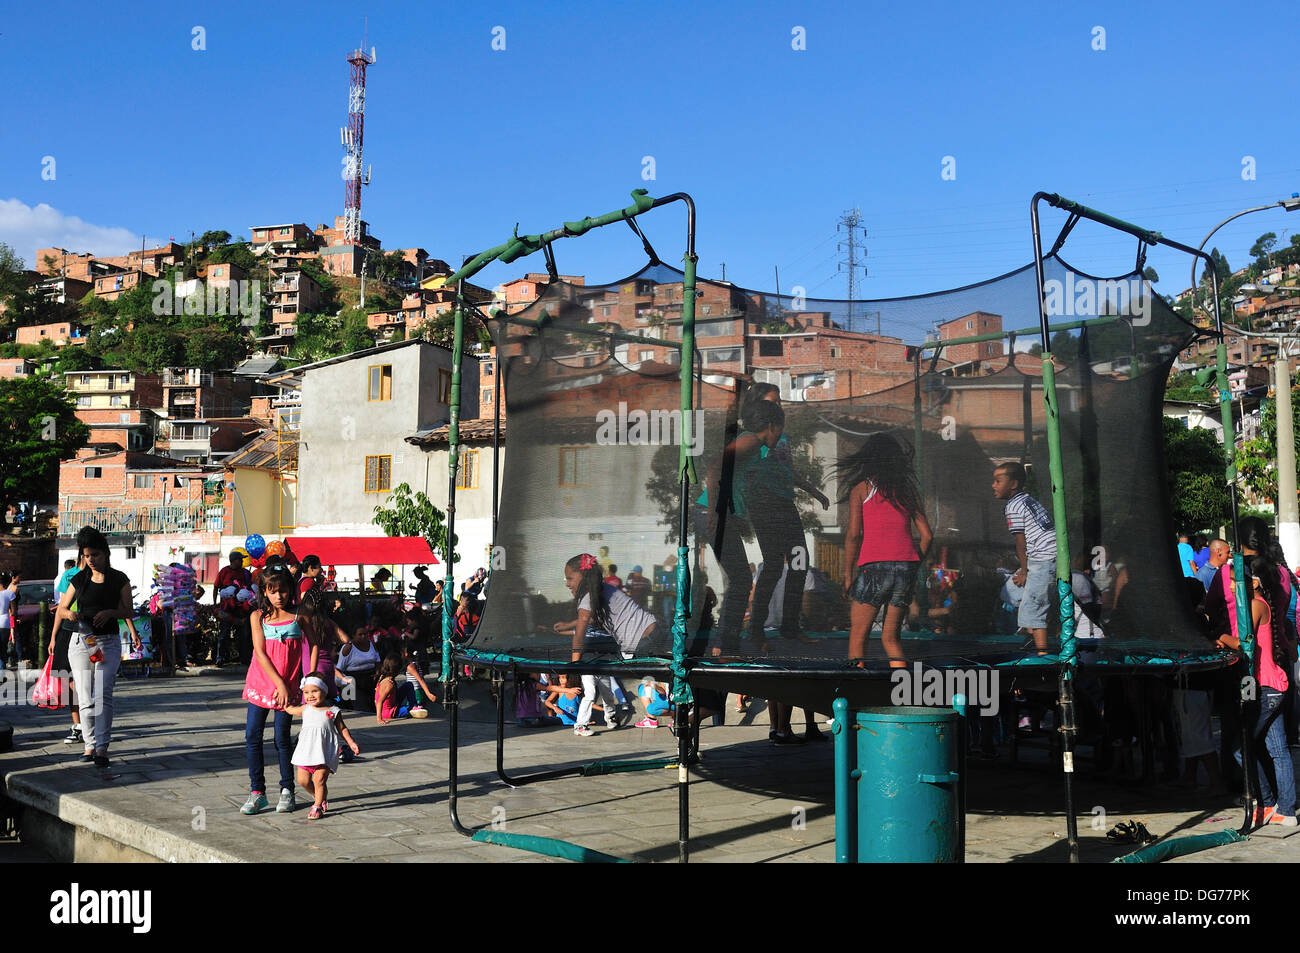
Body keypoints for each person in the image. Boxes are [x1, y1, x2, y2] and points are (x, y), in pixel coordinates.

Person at [839, 433, 933, 670]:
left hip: (874, 566)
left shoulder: (862, 488)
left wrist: (848, 575)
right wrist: (912, 565)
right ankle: (904, 693)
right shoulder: (907, 492)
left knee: (858, 636)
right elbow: (927, 536)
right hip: (905, 567)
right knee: (891, 639)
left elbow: (853, 535)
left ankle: (856, 691)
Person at [52, 527, 141, 769]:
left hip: (108, 642)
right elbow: (60, 608)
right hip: (82, 641)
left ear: (105, 554)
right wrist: (69, 613)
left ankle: (102, 746)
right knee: (84, 694)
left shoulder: (119, 578)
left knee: (104, 693)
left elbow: (128, 610)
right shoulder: (78, 579)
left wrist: (111, 613)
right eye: (87, 555)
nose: (91, 560)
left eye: (95, 555)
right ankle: (89, 745)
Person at [553, 553, 654, 736]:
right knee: (601, 691)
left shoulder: (588, 596)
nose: (567, 583)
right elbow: (590, 617)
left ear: (582, 577)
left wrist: (575, 665)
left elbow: (580, 636)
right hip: (650, 633)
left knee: (655, 676)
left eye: (569, 578)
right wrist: (568, 625)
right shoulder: (603, 589)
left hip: (641, 641)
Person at [240, 571, 304, 815]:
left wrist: (308, 680)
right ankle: (258, 792)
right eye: (273, 591)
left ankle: (287, 789)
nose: (279, 596)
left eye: (283, 590)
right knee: (252, 736)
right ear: (265, 592)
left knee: (281, 739)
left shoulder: (300, 615)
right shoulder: (258, 616)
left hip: (287, 689)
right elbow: (260, 652)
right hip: (262, 684)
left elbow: (315, 643)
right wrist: (279, 683)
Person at [991, 462, 1055, 654]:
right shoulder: (1027, 500)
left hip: (1043, 558)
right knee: (1029, 605)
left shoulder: (1013, 507)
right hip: (1048, 557)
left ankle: (1042, 654)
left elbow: (1021, 542)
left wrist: (1026, 571)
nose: (993, 485)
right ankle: (1033, 645)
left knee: (1035, 608)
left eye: (998, 481)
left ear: (1013, 484)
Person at [287, 674, 360, 820]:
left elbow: (342, 729)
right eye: (306, 692)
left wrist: (351, 743)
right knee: (303, 781)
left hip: (325, 753)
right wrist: (281, 698)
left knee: (319, 779)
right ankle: (319, 796)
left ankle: (317, 806)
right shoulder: (305, 709)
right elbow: (289, 709)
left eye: (315, 691)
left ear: (324, 691)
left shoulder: (333, 711)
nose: (310, 695)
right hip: (306, 752)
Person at [51, 557, 85, 746]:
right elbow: (61, 608)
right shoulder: (70, 575)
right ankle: (77, 724)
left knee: (89, 680)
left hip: (90, 633)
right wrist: (53, 636)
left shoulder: (102, 575)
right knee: (69, 680)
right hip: (68, 630)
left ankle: (89, 722)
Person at [215, 550, 253, 666]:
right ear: (233, 560)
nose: (242, 561)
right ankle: (220, 658)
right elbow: (216, 587)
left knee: (243, 635)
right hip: (226, 609)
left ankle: (244, 658)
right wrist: (215, 603)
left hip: (241, 610)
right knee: (224, 634)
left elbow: (250, 587)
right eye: (240, 559)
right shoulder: (224, 571)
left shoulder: (245, 573)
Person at [374, 652, 435, 724]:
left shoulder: (383, 677)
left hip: (393, 703)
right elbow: (379, 701)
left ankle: (413, 706)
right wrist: (379, 719)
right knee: (408, 709)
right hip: (389, 713)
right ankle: (411, 709)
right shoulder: (389, 684)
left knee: (408, 684)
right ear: (397, 670)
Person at [335, 626, 381, 713]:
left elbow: (377, 662)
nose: (363, 636)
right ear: (353, 635)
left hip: (370, 678)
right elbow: (338, 669)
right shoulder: (348, 648)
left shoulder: (371, 644)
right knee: (361, 708)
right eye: (360, 634)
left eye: (365, 634)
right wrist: (344, 679)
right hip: (353, 681)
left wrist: (377, 673)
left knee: (373, 707)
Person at [0, 572, 18, 668]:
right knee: (3, 649)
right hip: (5, 623)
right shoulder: (9, 594)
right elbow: (14, 612)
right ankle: (1, 673)